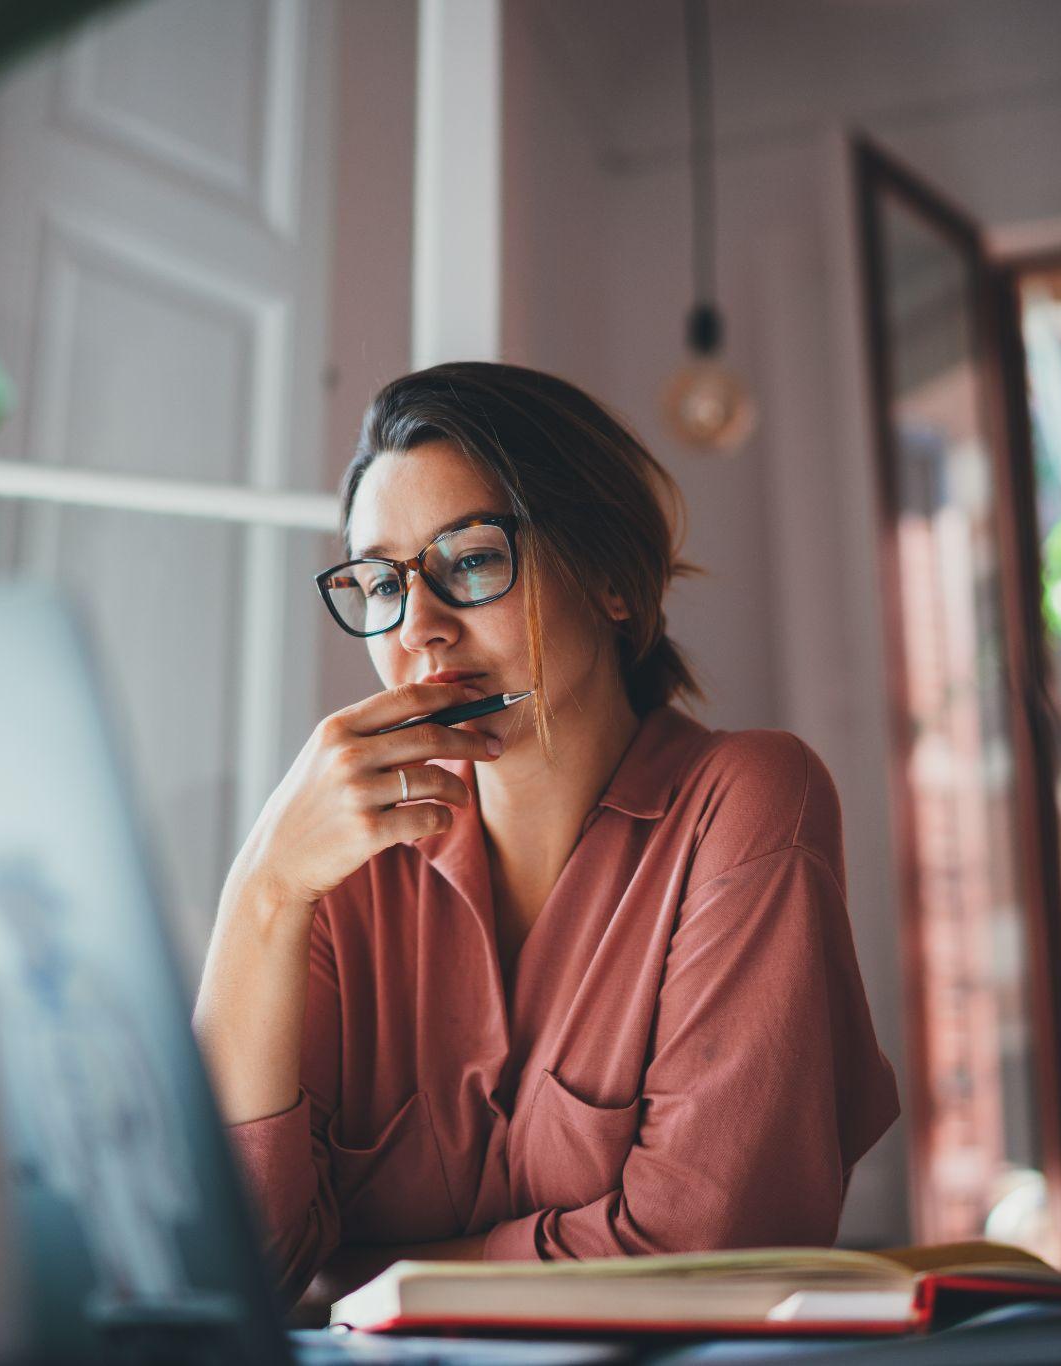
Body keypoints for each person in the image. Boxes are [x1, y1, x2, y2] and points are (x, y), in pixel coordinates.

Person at [192, 362, 898, 1313]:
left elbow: (703, 1252)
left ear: (610, 577)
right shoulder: (337, 870)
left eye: (472, 559)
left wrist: (358, 1279)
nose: (421, 632)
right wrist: (264, 889)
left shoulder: (746, 802)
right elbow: (228, 1270)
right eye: (380, 583)